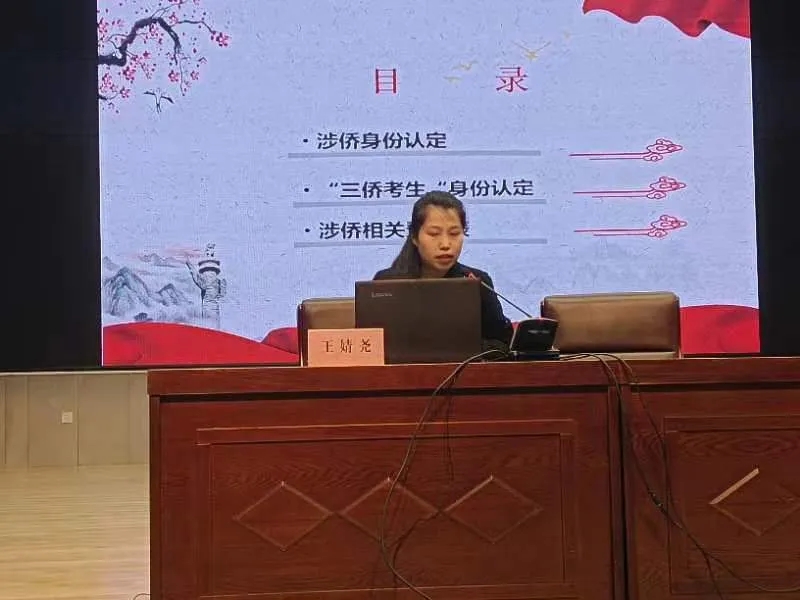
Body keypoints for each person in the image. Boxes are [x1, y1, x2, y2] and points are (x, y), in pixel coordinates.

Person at [373, 191, 514, 349]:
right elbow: (371, 346)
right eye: (434, 234)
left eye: (454, 233)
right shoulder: (386, 283)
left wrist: (463, 349)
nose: (445, 244)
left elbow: (501, 344)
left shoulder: (477, 281)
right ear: (414, 237)